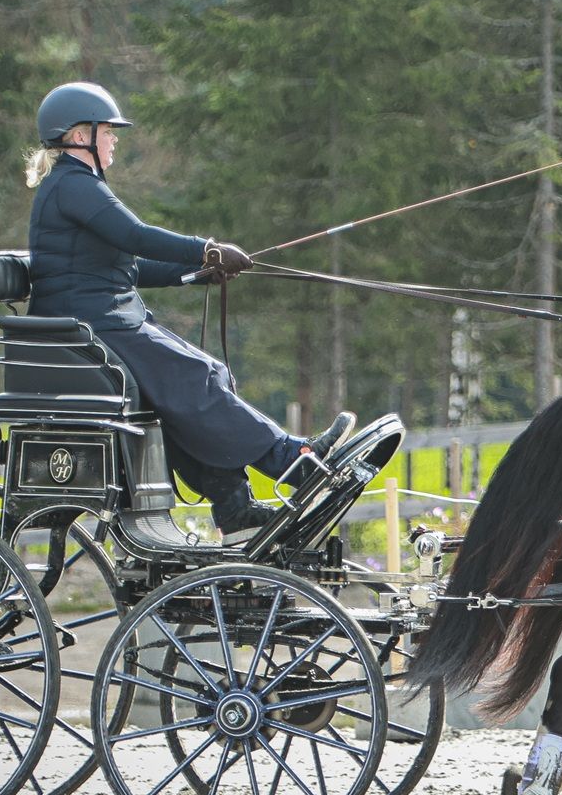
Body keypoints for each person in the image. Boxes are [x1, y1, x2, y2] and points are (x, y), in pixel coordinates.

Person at [22, 81, 354, 536]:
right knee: (193, 377)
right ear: (79, 135)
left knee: (207, 372)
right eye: (108, 131)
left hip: (105, 319)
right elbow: (136, 236)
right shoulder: (74, 186)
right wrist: (207, 249)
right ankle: (294, 463)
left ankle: (234, 504)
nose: (114, 138)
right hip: (92, 328)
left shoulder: (77, 186)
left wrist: (194, 273)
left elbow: (126, 266)